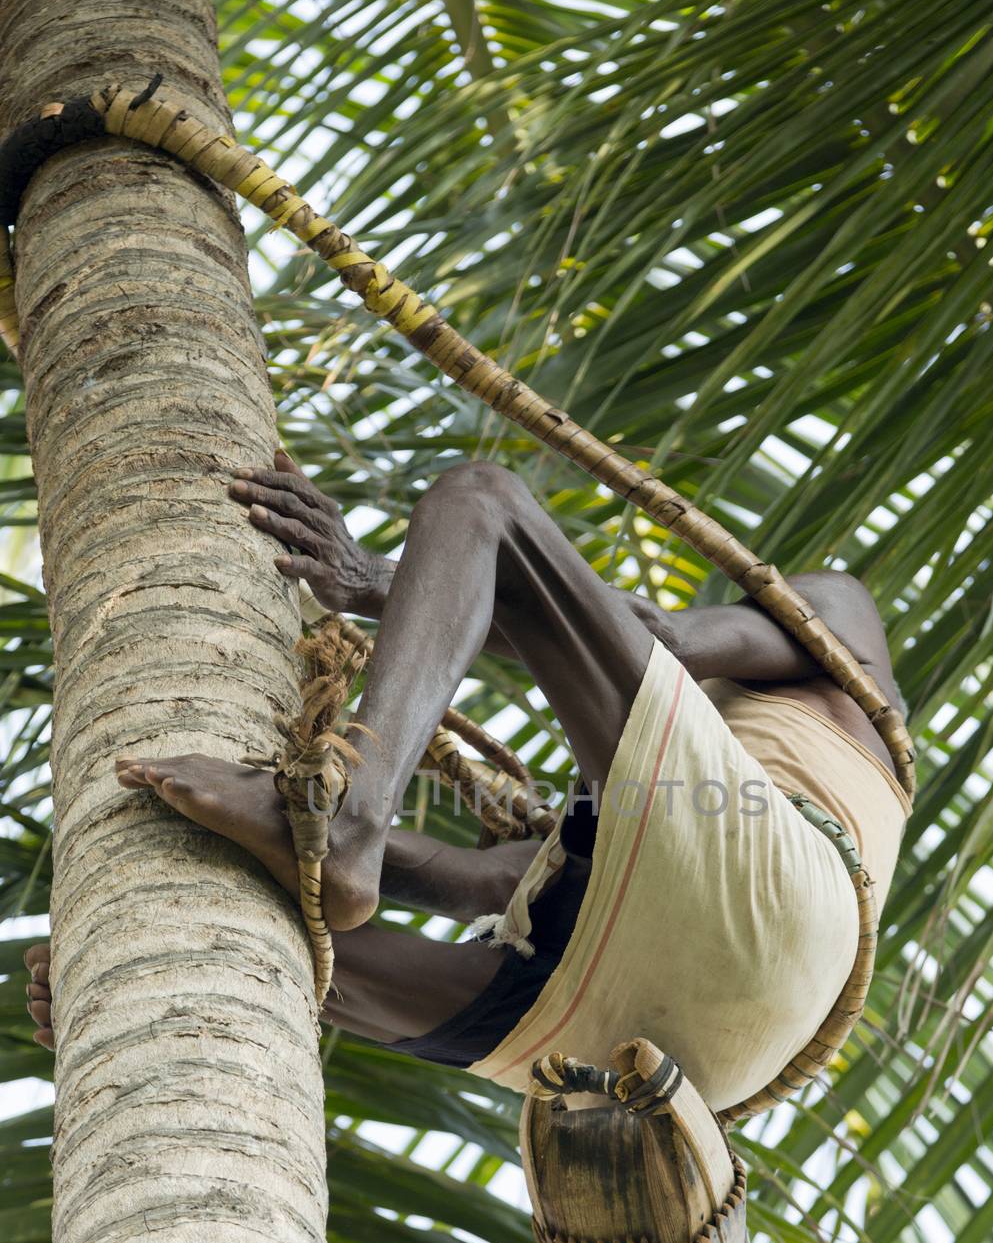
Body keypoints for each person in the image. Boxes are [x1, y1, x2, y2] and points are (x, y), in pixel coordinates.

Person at [26, 453, 911, 1114]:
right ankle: (139, 992)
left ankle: (348, 824)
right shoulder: (704, 801)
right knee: (215, 931)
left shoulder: (837, 611)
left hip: (787, 919)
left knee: (477, 502)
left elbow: (658, 637)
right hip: (681, 1066)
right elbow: (488, 884)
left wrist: (374, 580)